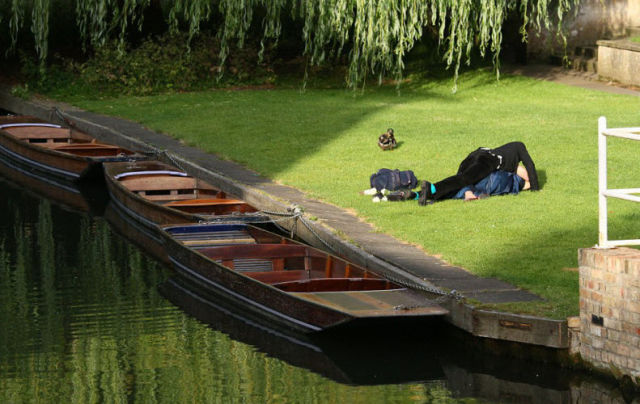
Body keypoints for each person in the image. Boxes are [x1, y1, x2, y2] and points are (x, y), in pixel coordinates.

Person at [418, 141, 539, 205]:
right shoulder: (520, 149)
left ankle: (417, 195)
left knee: (460, 180)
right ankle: (431, 188)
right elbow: (530, 166)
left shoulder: (513, 150)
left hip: (475, 154)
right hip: (487, 160)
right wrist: (535, 188)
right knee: (463, 180)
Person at [384, 164, 531, 202]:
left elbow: (520, 171)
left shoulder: (515, 177)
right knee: (455, 190)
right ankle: (417, 194)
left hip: (486, 181)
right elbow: (527, 179)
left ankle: (416, 194)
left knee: (454, 187)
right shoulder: (518, 184)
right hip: (489, 184)